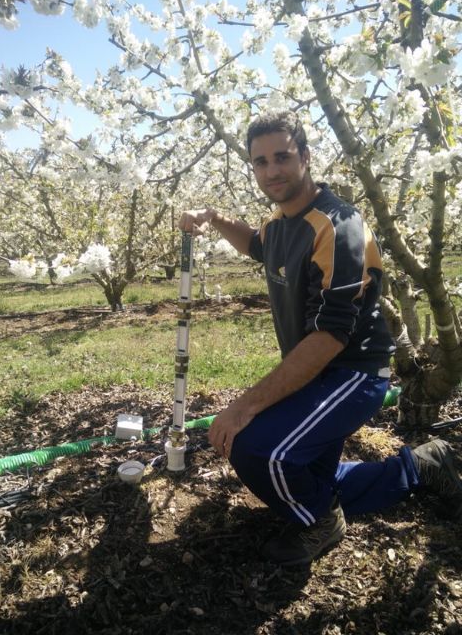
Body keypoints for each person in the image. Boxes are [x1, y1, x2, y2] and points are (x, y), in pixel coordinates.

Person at [179, 111, 462, 566]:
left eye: (283, 157)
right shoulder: (281, 223)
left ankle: (320, 521)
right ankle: (420, 467)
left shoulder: (337, 225)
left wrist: (244, 404)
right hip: (319, 373)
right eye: (260, 161)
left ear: (306, 157)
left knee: (257, 449)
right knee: (307, 476)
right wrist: (212, 217)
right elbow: (256, 243)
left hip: (352, 374)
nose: (272, 170)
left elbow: (331, 337)